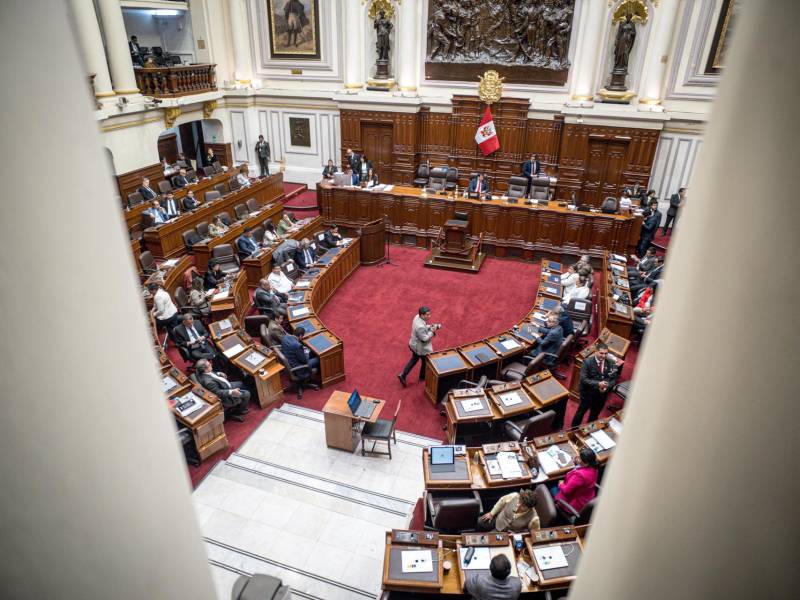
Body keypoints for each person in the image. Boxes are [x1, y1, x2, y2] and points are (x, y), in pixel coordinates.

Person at [571, 342, 621, 427]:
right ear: (595, 351)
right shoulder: (587, 362)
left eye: (606, 353)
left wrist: (607, 387)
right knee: (580, 413)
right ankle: (573, 430)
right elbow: (584, 379)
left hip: (601, 396)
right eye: (601, 353)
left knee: (594, 416)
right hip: (587, 394)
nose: (603, 356)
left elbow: (613, 379)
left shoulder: (612, 362)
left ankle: (588, 431)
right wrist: (598, 384)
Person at [398, 306, 441, 386]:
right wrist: (432, 331)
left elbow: (423, 327)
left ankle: (403, 375)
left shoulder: (417, 317)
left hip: (414, 344)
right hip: (420, 348)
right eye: (427, 315)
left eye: (429, 314)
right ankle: (422, 377)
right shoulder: (420, 327)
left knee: (414, 359)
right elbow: (424, 339)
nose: (429, 316)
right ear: (422, 315)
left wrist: (430, 326)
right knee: (424, 361)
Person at [552, 447, 599, 515]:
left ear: (586, 463)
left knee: (550, 486)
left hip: (573, 503)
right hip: (586, 496)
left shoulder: (580, 476)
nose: (577, 457)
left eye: (579, 458)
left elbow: (566, 491)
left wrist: (561, 484)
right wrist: (577, 462)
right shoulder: (594, 468)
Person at [280, 327, 319, 397]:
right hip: (299, 368)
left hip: (290, 364)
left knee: (311, 353)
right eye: (302, 336)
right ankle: (315, 378)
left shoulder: (285, 338)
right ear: (300, 336)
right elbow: (304, 360)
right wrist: (307, 353)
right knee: (318, 358)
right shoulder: (297, 345)